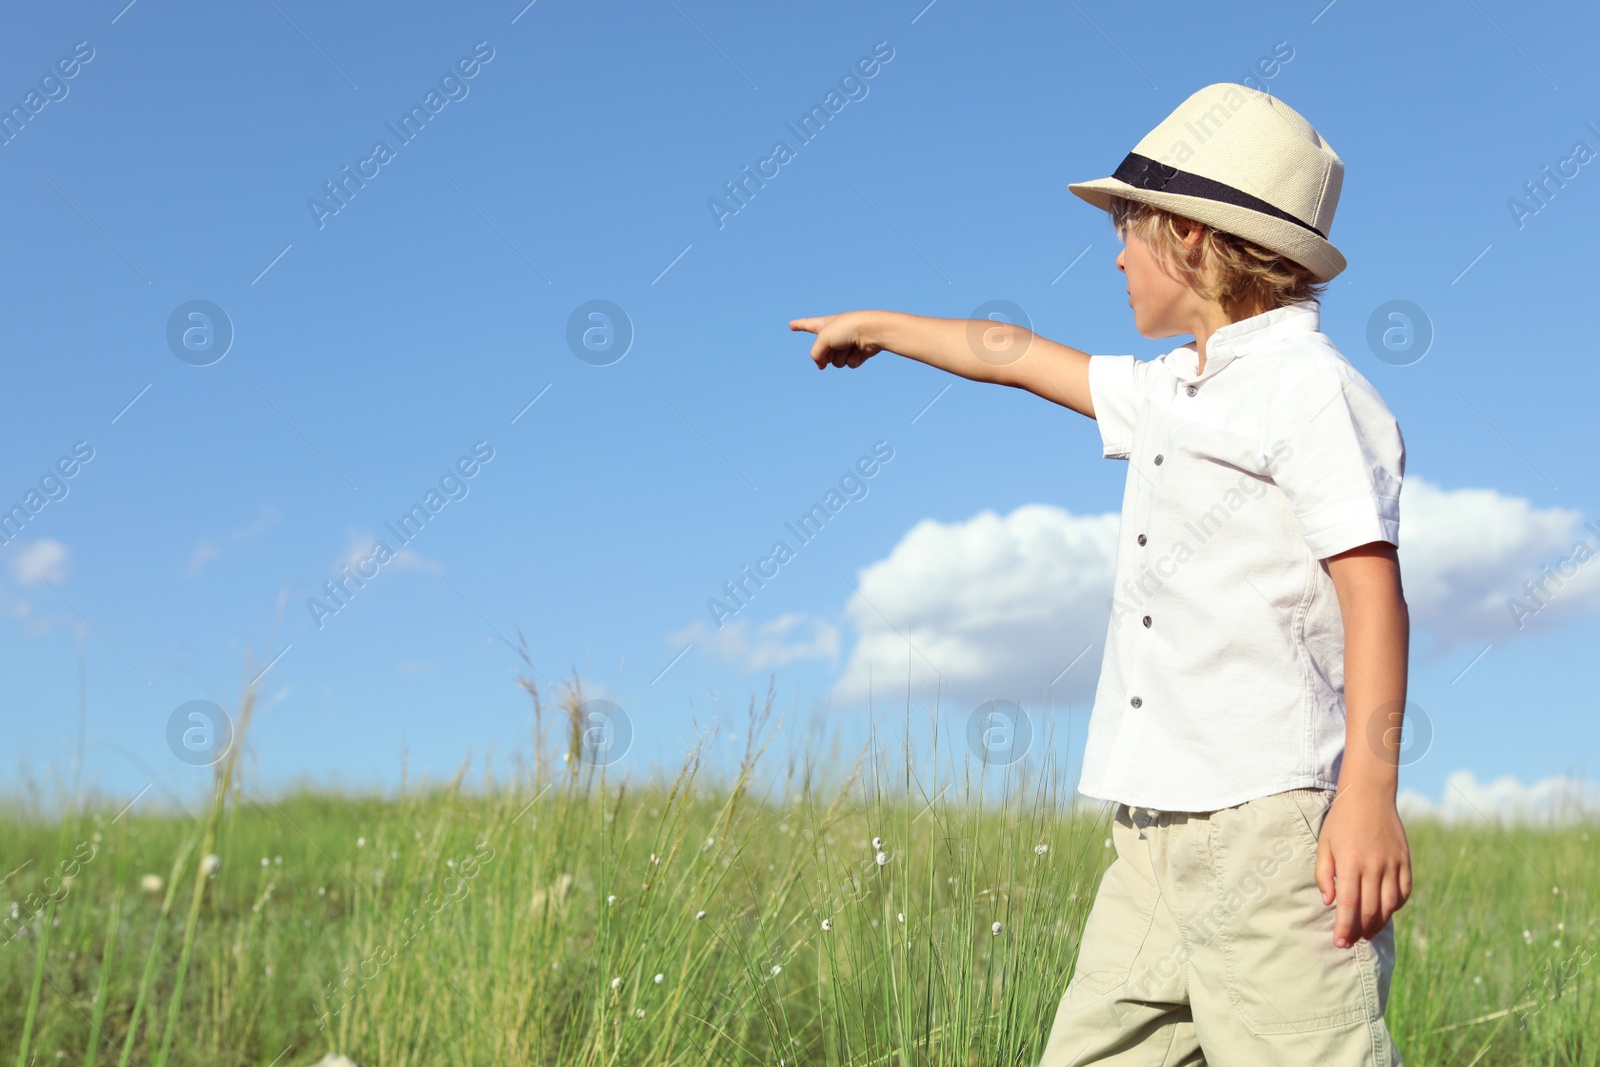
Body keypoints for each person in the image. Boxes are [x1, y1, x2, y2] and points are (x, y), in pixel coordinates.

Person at [789, 82, 1410, 1066]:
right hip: (1150, 831)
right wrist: (881, 323)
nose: (1115, 253)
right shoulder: (1175, 388)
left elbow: (1370, 590)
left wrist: (1367, 792)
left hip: (1273, 832)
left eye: (1128, 228)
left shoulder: (1308, 388)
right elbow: (1018, 356)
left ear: (1191, 241)